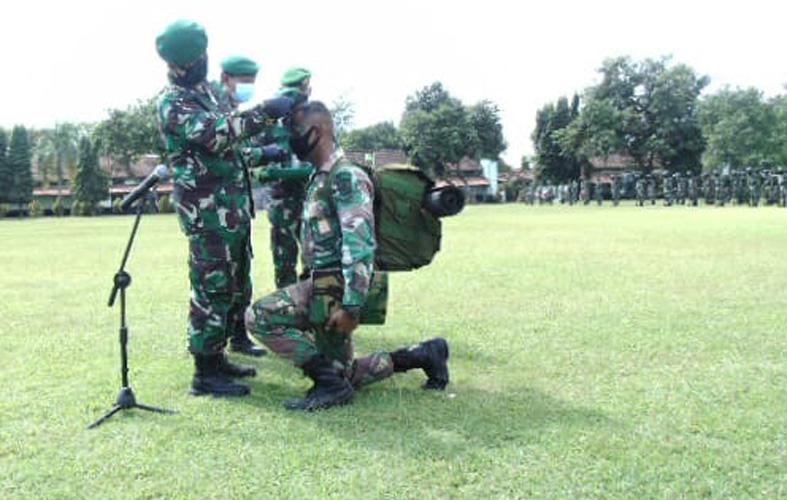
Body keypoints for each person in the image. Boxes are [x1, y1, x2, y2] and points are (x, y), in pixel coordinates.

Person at [245, 102, 450, 411]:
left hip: (337, 290)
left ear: (320, 131)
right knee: (344, 372)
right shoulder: (321, 176)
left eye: (297, 132)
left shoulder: (346, 177)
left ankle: (328, 384)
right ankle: (422, 354)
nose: (294, 141)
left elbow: (360, 245)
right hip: (324, 287)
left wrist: (352, 306)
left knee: (260, 316)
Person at [155, 19, 296, 396]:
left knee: (233, 284)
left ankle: (218, 359)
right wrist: (266, 110)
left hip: (231, 208)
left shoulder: (208, 92)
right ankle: (204, 373)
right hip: (206, 214)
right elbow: (219, 135)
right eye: (194, 59)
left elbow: (231, 139)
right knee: (211, 287)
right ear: (180, 63)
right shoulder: (173, 102)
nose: (200, 63)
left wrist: (261, 148)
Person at [208, 55, 271, 358]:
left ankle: (238, 337)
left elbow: (238, 156)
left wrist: (262, 153)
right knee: (219, 282)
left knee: (241, 278)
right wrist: (265, 115)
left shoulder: (231, 111)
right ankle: (212, 352)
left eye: (252, 82)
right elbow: (215, 142)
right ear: (225, 78)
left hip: (237, 213)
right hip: (216, 213)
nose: (247, 88)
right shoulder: (213, 110)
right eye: (243, 81)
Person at [263, 68, 313, 289]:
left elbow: (321, 165)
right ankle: (287, 309)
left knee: (316, 261)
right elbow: (255, 156)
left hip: (311, 199)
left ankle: (313, 310)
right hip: (282, 201)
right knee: (284, 262)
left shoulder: (315, 121)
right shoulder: (271, 123)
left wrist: (276, 173)